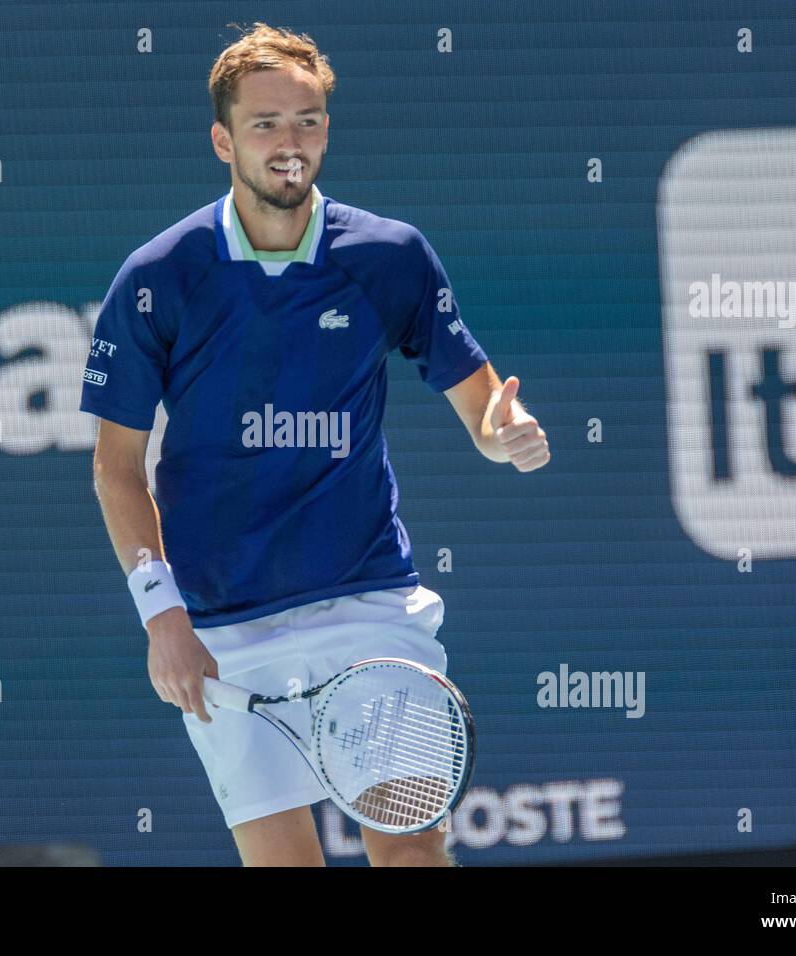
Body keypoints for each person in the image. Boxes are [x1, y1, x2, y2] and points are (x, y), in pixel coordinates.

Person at [81, 22, 550, 866]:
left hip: (368, 606)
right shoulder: (157, 277)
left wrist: (503, 433)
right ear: (224, 139)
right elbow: (116, 471)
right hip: (224, 630)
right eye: (264, 124)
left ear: (326, 130)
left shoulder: (390, 257)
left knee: (410, 855)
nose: (288, 143)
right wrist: (164, 619)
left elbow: (482, 410)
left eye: (306, 120)